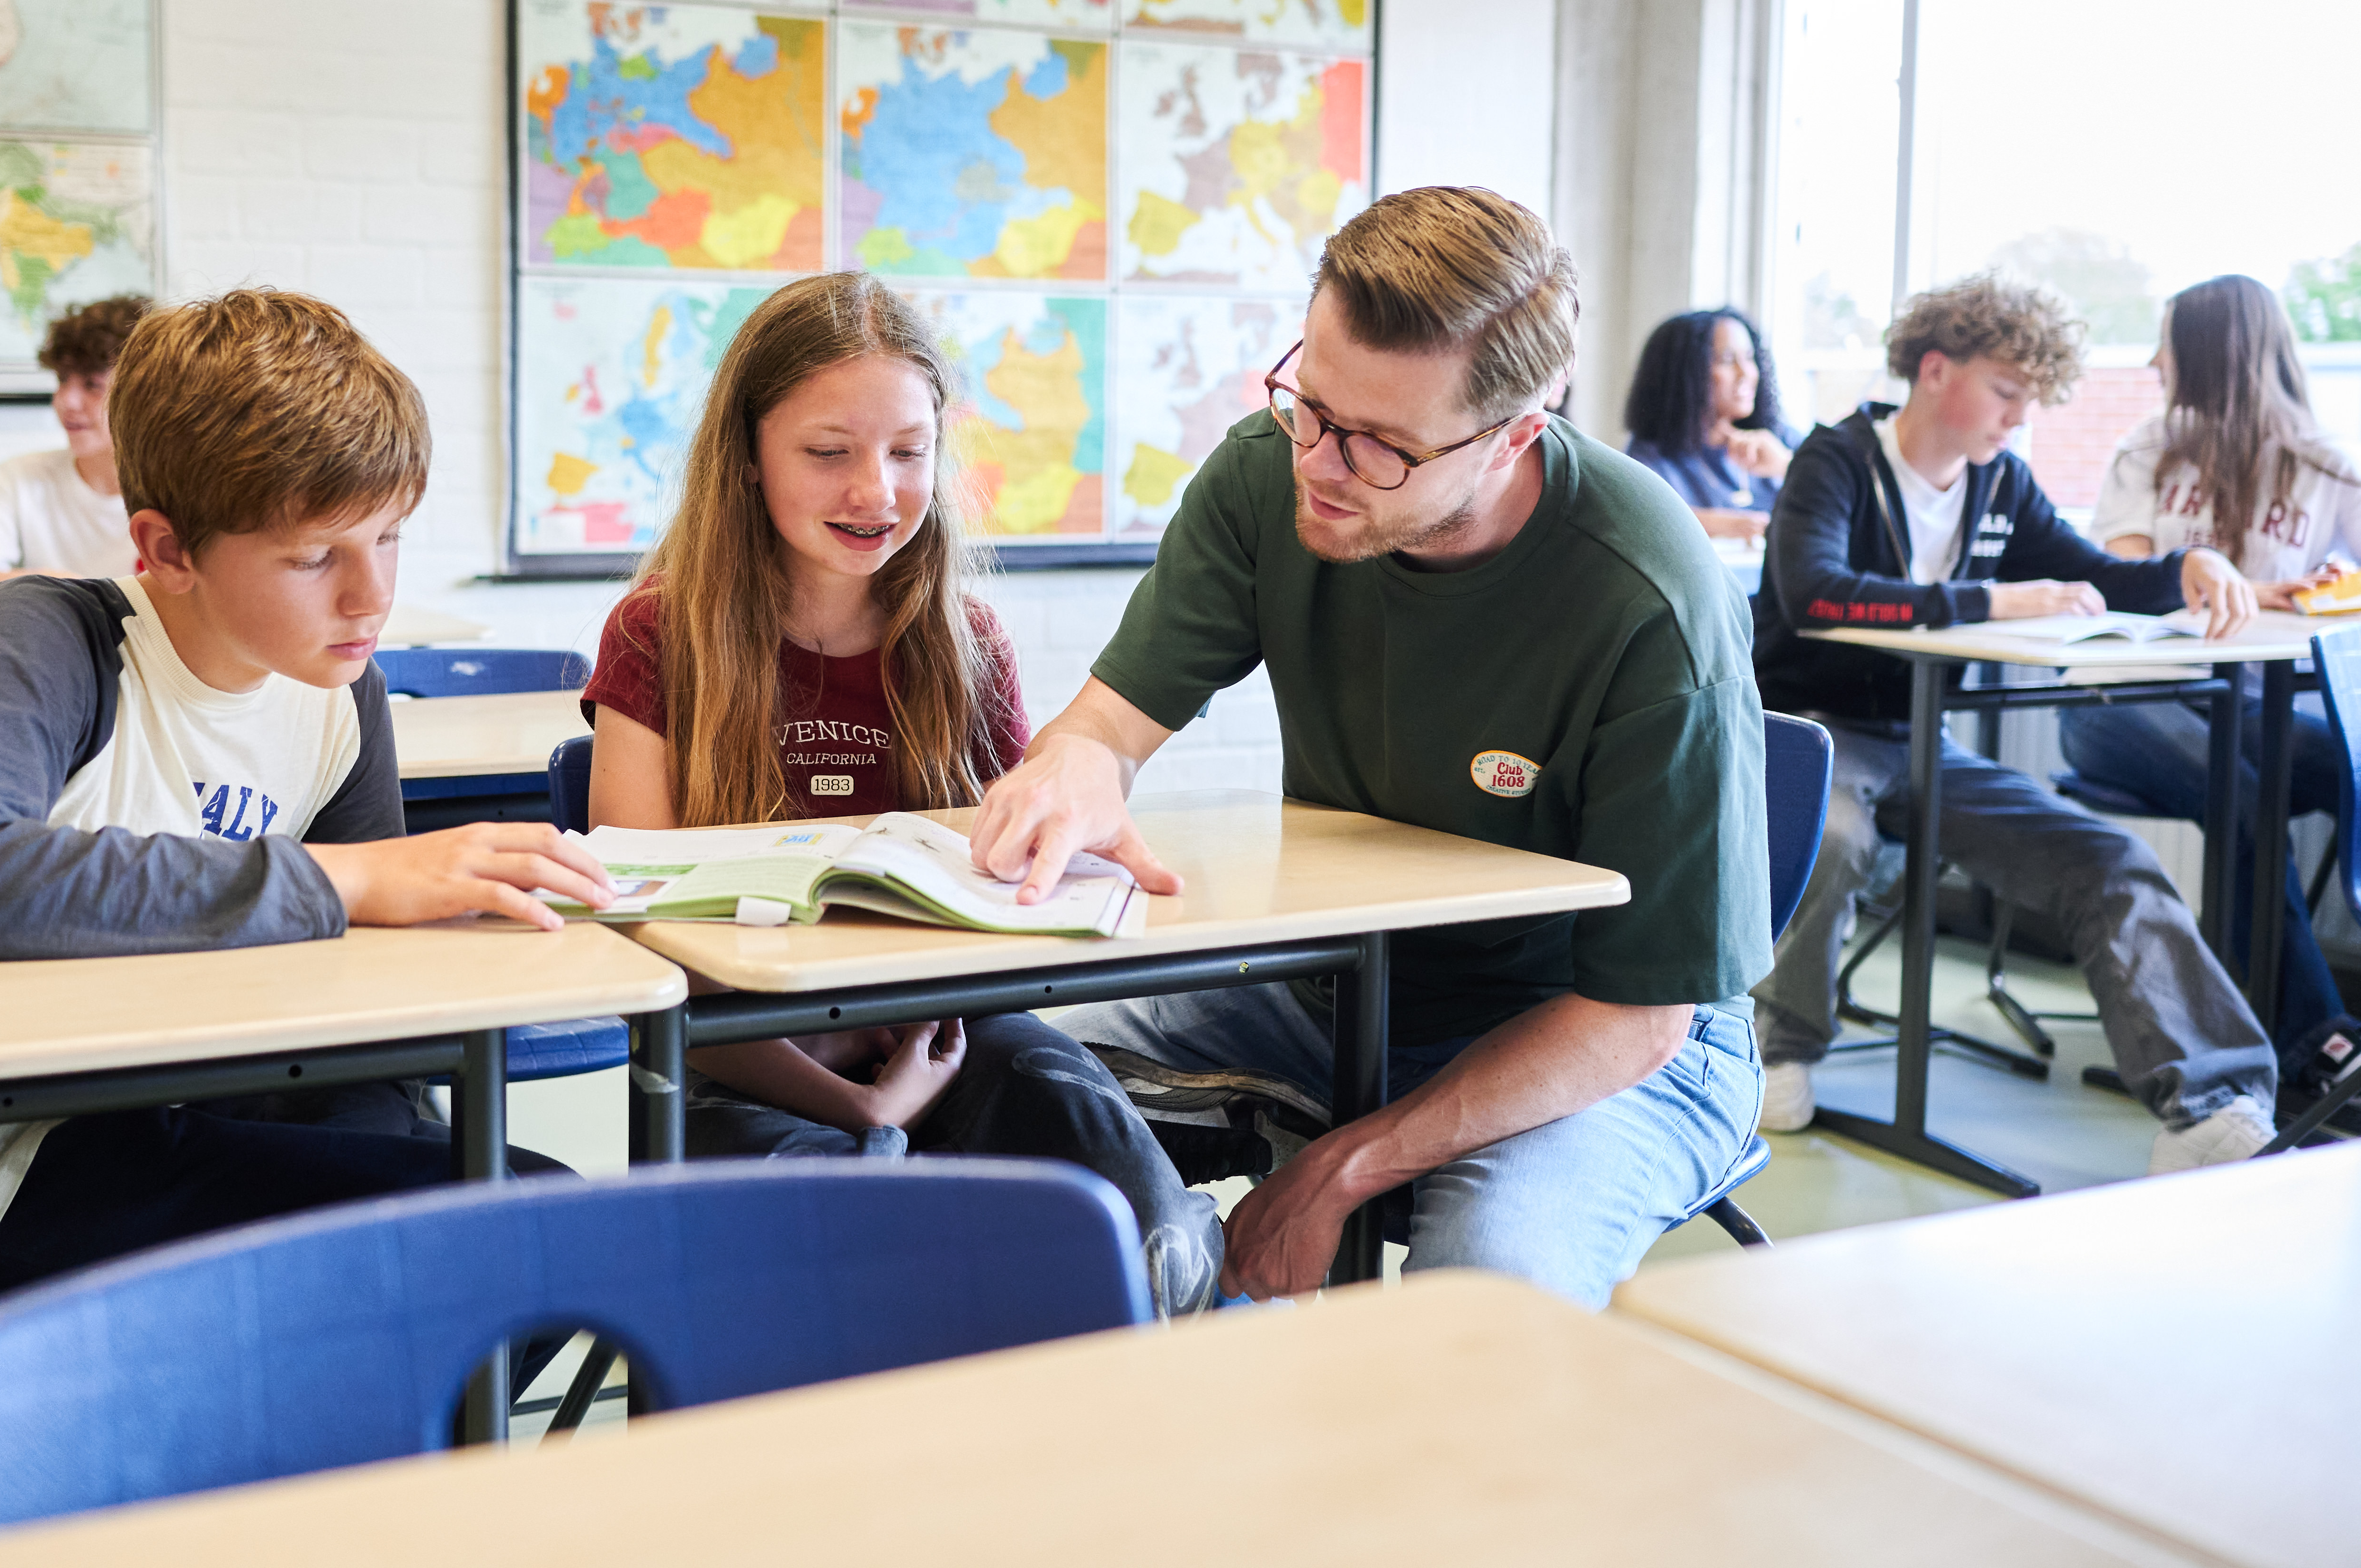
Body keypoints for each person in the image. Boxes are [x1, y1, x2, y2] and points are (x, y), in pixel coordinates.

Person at [0, 288, 619, 1358]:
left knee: (527, 1218)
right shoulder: (40, 637)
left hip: (166, 1106)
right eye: (314, 557)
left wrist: (394, 1144)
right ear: (166, 548)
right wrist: (342, 882)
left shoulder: (343, 696)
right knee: (489, 1254)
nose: (370, 597)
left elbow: (359, 1006)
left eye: (391, 538)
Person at [969, 187, 1773, 1311]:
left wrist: (1343, 1168)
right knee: (978, 1099)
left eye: (1383, 447)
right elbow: (1110, 721)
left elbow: (1641, 1013)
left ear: (1514, 437)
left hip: (1603, 1040)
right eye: (1310, 402)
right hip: (1343, 993)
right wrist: (1074, 769)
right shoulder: (1271, 470)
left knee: (1477, 1301)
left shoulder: (1649, 600)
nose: (1320, 463)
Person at [582, 271, 1225, 1317]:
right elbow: (633, 937)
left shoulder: (965, 645)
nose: (875, 492)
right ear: (747, 457)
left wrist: (1074, 859)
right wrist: (858, 1106)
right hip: (737, 1062)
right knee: (858, 1270)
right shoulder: (658, 636)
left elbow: (1014, 909)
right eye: (828, 453)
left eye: (908, 452)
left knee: (1134, 1216)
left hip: (948, 1037)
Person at [1749, 273, 2280, 1173]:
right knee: (1831, 837)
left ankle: (2205, 1101)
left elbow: (2092, 575)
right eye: (2004, 391)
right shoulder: (1833, 460)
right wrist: (1991, 599)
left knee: (2107, 861)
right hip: (1808, 732)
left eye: (2029, 397)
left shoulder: (2001, 483)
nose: (2018, 416)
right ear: (1931, 371)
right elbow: (1813, 595)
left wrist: (2186, 564)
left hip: (1924, 741)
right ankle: (1778, 1045)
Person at [2059, 275, 2361, 1088]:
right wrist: (2257, 591)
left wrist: (2336, 584)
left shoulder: (2324, 464)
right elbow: (2116, 575)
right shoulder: (2147, 447)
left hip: (2252, 703)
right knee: (2239, 792)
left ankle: (2271, 1030)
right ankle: (2318, 1046)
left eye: (2167, 343)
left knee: (2345, 769)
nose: (2155, 360)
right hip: (2117, 696)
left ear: (2206, 355)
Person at [0, 294, 151, 602]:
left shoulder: (183, 490)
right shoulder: (20, 478)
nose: (66, 401)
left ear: (145, 392)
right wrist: (44, 582)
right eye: (63, 380)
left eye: (92, 385)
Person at [1622, 307, 1798, 541]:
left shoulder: (1779, 438)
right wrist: (1730, 525)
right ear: (1685, 373)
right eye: (1727, 360)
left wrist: (1787, 465)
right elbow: (1642, 518)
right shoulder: (1651, 458)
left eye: (1749, 357)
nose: (1746, 372)